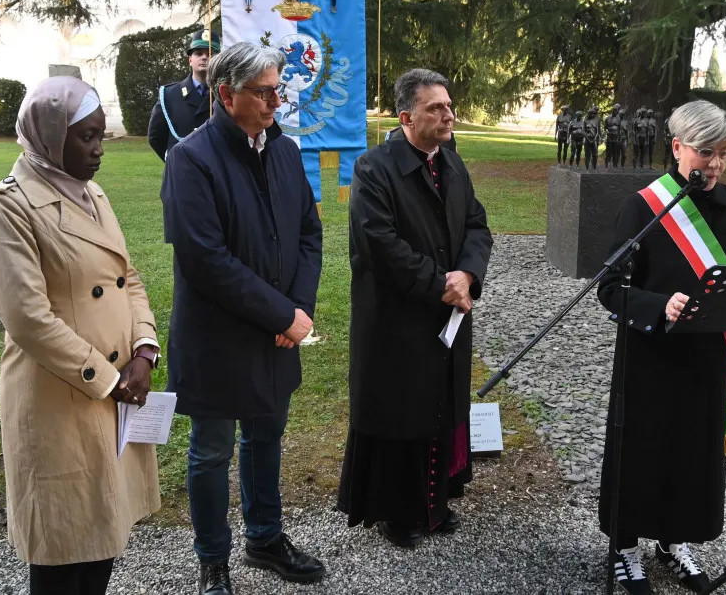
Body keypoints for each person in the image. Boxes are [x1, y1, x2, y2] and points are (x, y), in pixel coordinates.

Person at [0, 77, 161, 595]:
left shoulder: (92, 193)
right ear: (49, 135)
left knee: (103, 535)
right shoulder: (6, 207)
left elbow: (129, 277)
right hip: (61, 399)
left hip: (118, 389)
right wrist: (109, 379)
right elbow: (28, 318)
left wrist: (144, 350)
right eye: (86, 138)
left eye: (101, 134)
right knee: (61, 548)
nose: (99, 149)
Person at [161, 42, 325, 594]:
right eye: (264, 92)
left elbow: (308, 233)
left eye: (279, 89)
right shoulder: (191, 159)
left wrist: (297, 311)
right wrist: (283, 314)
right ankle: (213, 561)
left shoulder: (282, 150)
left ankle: (265, 538)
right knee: (212, 451)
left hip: (275, 336)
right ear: (226, 95)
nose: (276, 101)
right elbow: (206, 261)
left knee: (266, 436)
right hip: (217, 339)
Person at [597, 100, 726, 595]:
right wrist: (658, 305)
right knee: (641, 450)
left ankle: (675, 538)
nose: (715, 165)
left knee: (695, 453)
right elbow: (609, 289)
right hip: (650, 355)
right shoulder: (642, 207)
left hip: (708, 356)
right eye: (706, 152)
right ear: (677, 147)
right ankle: (625, 546)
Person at [338, 68, 493, 549]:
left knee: (440, 406)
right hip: (396, 318)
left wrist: (466, 275)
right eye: (435, 108)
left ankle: (436, 502)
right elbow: (377, 244)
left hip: (445, 314)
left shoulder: (451, 162)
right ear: (406, 117)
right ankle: (396, 513)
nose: (448, 115)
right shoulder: (373, 168)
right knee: (400, 412)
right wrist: (440, 284)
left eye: (448, 106)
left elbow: (476, 225)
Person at [147, 29, 221, 160]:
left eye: (210, 54)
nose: (205, 57)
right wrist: (173, 161)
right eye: (199, 53)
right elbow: (155, 137)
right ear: (190, 60)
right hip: (182, 171)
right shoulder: (170, 94)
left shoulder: (224, 94)